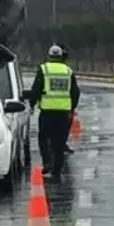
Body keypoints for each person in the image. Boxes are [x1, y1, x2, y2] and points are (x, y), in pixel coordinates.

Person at [27, 44, 80, 182]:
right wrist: (72, 108)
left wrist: (32, 104)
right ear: (61, 56)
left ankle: (47, 164)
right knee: (59, 143)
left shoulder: (44, 69)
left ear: (49, 56)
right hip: (63, 113)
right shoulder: (68, 71)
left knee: (43, 139)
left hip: (47, 112)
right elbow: (75, 92)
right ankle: (56, 171)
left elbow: (36, 89)